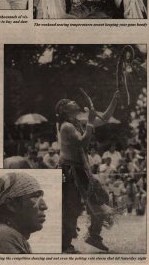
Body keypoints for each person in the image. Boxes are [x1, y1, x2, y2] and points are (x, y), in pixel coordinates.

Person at [56, 89, 120, 253]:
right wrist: (90, 122)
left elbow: (104, 119)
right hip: (68, 171)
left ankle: (94, 235)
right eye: (70, 101)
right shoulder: (66, 126)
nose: (75, 102)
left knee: (101, 198)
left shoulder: (76, 123)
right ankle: (65, 245)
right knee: (72, 207)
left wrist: (113, 100)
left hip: (80, 171)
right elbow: (83, 143)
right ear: (64, 109)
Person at [0, 172, 47, 253]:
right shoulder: (4, 237)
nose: (44, 206)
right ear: (11, 204)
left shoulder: (3, 234)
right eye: (35, 197)